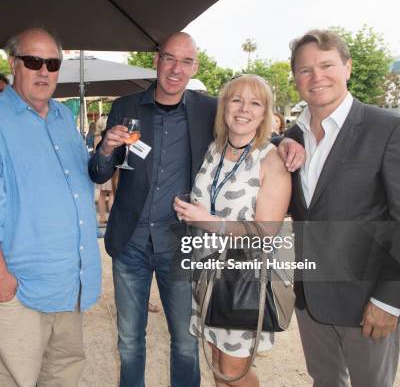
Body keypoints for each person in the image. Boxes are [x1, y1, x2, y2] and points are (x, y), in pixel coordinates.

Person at [88, 32, 304, 387]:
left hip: (182, 247)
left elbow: (248, 126)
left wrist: (289, 140)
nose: (176, 69)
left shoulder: (206, 108)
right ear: (157, 61)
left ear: (194, 68)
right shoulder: (125, 107)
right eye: (170, 58)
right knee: (129, 341)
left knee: (187, 343)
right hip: (131, 244)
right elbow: (98, 172)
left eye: (186, 61)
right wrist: (105, 151)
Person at [0, 28, 101, 387]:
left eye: (53, 63)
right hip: (20, 291)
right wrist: (0, 283)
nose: (44, 71)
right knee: (17, 381)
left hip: (69, 285)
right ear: (13, 64)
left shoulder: (64, 118)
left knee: (64, 375)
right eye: (34, 61)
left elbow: (78, 186)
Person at [286, 29, 400, 387]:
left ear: (347, 67)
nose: (317, 77)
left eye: (327, 65)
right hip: (309, 298)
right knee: (325, 381)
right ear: (295, 77)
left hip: (366, 302)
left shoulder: (390, 130)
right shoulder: (292, 137)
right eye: (305, 69)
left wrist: (390, 299)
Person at [173, 74, 291, 387]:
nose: (244, 109)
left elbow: (266, 232)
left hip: (241, 281)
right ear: (224, 106)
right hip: (205, 274)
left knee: (233, 371)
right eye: (236, 100)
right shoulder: (214, 149)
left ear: (266, 113)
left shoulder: (271, 161)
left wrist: (207, 221)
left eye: (255, 103)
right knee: (215, 362)